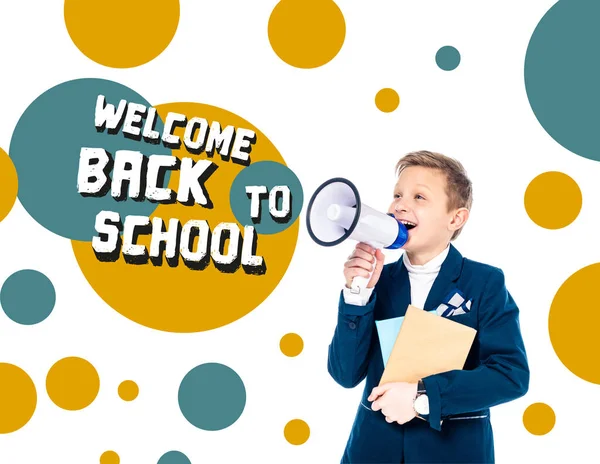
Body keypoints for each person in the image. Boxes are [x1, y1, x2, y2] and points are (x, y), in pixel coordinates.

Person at [327, 150, 529, 463]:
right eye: (397, 195)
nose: (400, 205)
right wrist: (357, 294)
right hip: (372, 450)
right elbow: (345, 374)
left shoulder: (485, 282)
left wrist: (424, 397)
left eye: (419, 197)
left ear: (456, 218)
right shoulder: (378, 281)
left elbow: (511, 375)